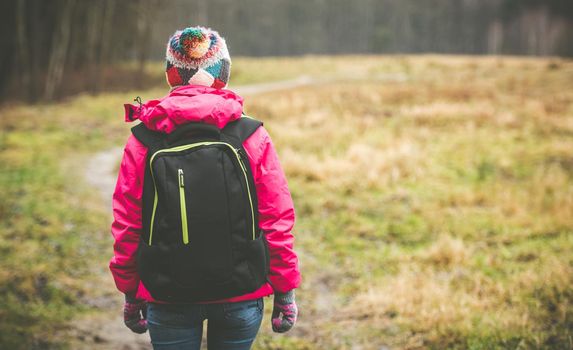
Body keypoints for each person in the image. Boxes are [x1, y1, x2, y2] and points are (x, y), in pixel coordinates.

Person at [109, 26, 301, 349]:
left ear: (172, 75)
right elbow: (277, 219)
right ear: (221, 75)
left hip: (168, 294)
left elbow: (127, 224)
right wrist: (285, 291)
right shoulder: (251, 136)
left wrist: (131, 292)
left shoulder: (143, 141)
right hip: (242, 291)